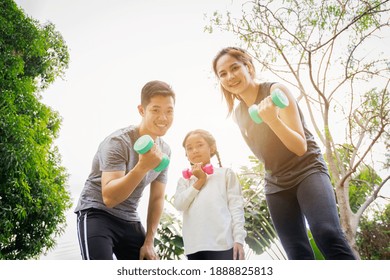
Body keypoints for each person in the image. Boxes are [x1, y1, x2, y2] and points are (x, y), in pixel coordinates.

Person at [212, 47, 356, 260]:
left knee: (327, 233)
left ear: (249, 67)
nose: (230, 76)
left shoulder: (275, 91)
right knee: (296, 253)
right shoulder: (238, 114)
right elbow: (264, 154)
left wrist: (272, 120)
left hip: (307, 169)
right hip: (276, 183)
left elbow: (299, 147)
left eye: (235, 68)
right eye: (222, 74)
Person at [74, 80, 175, 260]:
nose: (163, 118)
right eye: (155, 110)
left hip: (129, 218)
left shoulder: (165, 151)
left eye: (169, 111)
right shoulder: (118, 142)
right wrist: (143, 166)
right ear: (142, 110)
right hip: (97, 212)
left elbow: (157, 197)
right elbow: (110, 198)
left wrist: (149, 241)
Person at [174, 129, 246, 260]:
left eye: (200, 145)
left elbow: (236, 208)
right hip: (194, 247)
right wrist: (200, 181)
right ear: (186, 154)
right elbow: (179, 205)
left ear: (212, 148)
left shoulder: (226, 174)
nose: (195, 150)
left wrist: (239, 239)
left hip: (224, 245)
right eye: (189, 148)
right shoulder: (184, 180)